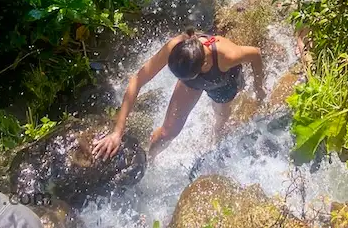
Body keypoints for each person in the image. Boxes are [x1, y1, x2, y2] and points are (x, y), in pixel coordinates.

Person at [92, 29, 265, 162]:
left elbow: (256, 54)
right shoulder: (176, 47)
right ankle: (150, 161)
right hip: (192, 81)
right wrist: (117, 132)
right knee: (167, 132)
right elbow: (137, 80)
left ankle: (216, 140)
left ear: (204, 63)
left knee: (221, 119)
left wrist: (259, 89)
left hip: (222, 81)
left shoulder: (227, 56)